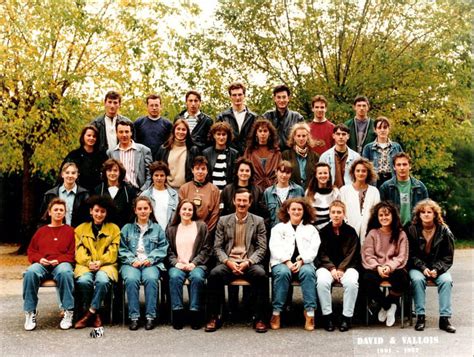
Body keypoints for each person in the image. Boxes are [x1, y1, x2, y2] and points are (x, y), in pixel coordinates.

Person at [205, 188, 268, 333]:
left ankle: (259, 319)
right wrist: (228, 262)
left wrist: (248, 262)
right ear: (233, 201)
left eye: (244, 200)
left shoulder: (258, 221)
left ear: (250, 202)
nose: (241, 203)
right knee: (214, 275)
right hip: (229, 261)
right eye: (238, 200)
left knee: (261, 275)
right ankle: (213, 317)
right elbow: (217, 247)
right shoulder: (223, 220)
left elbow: (261, 248)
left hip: (249, 262)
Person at [23, 198, 75, 331]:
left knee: (65, 272)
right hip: (43, 264)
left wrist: (59, 260)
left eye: (61, 210)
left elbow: (73, 252)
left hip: (61, 263)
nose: (58, 212)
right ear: (50, 212)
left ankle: (68, 311)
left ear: (65, 213)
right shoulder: (41, 231)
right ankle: (30, 312)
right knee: (30, 272)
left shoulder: (70, 231)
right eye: (55, 210)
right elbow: (31, 251)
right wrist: (40, 259)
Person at [269, 198, 320, 331]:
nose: (296, 212)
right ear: (287, 210)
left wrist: (302, 260)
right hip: (282, 263)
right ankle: (276, 313)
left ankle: (309, 313)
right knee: (283, 273)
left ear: (304, 211)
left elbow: (314, 249)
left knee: (308, 272)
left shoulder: (311, 229)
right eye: (293, 209)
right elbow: (274, 247)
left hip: (304, 263)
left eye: (299, 209)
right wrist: (287, 261)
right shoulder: (278, 228)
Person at [119, 196, 168, 331]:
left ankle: (150, 317)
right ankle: (134, 317)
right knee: (131, 279)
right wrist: (131, 259)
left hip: (150, 263)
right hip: (131, 263)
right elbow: (122, 248)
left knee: (151, 279)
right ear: (135, 211)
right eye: (139, 209)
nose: (143, 211)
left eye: (145, 208)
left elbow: (163, 248)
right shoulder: (127, 228)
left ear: (150, 210)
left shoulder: (157, 229)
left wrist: (151, 259)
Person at [407, 199, 456, 333]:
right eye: (423, 212)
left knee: (446, 281)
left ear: (435, 214)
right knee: (417, 280)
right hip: (418, 267)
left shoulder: (444, 230)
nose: (426, 214)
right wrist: (423, 268)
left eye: (429, 212)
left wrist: (437, 269)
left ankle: (444, 319)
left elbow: (448, 256)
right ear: (419, 215)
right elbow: (410, 255)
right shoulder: (411, 229)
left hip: (438, 267)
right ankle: (420, 317)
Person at [74, 196, 120, 329]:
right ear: (91, 211)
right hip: (85, 265)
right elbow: (79, 251)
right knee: (83, 281)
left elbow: (113, 252)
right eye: (96, 211)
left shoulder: (114, 229)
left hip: (107, 265)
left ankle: (90, 313)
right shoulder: (80, 229)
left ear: (107, 213)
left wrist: (100, 262)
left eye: (102, 211)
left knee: (103, 281)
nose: (99, 214)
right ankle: (96, 313)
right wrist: (89, 263)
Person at [362, 201, 409, 327]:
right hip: (376, 267)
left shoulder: (401, 234)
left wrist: (389, 267)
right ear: (377, 217)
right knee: (366, 280)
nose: (384, 218)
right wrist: (378, 267)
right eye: (381, 215)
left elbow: (401, 256)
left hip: (394, 268)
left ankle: (390, 304)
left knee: (403, 279)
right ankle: (388, 305)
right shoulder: (373, 233)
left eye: (387, 215)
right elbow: (368, 254)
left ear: (393, 216)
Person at [166, 199, 211, 330]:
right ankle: (177, 312)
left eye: (190, 209)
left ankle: (195, 312)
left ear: (193, 212)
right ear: (179, 211)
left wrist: (194, 263)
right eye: (184, 209)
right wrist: (175, 263)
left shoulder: (201, 226)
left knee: (197, 277)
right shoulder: (171, 229)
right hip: (178, 265)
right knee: (174, 277)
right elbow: (168, 250)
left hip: (197, 264)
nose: (187, 212)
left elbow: (206, 249)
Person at [316, 200, 360, 332]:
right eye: (333, 212)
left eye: (339, 212)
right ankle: (327, 316)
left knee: (352, 282)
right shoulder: (323, 231)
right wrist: (332, 268)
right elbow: (321, 253)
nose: (336, 215)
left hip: (348, 267)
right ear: (329, 214)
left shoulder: (351, 232)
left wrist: (341, 269)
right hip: (327, 267)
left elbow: (353, 253)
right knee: (322, 282)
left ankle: (347, 317)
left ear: (344, 214)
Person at [379, 152, 428, 226]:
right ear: (394, 167)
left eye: (404, 164)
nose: (402, 168)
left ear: (410, 166)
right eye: (398, 165)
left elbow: (426, 210)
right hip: (393, 228)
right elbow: (382, 212)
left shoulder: (420, 187)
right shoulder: (386, 187)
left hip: (414, 229)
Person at [340, 158, 380, 243]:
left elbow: (376, 213)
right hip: (348, 232)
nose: (360, 173)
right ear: (353, 172)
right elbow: (342, 212)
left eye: (363, 171)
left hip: (368, 232)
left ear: (368, 173)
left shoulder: (374, 191)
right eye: (357, 171)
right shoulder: (344, 190)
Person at [178, 156, 220, 234]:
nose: (200, 171)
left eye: (203, 169)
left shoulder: (214, 190)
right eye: (197, 168)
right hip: (186, 230)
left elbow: (215, 213)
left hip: (206, 231)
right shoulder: (184, 189)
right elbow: (180, 211)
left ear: (207, 171)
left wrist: (205, 231)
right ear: (192, 170)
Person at [107, 119, 152, 191]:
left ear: (131, 133)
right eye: (121, 132)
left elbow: (150, 174)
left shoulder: (144, 150)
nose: (124, 135)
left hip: (139, 191)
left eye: (127, 132)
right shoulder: (111, 152)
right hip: (119, 191)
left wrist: (143, 191)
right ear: (116, 133)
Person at [41, 162, 89, 227]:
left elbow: (87, 217)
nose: (70, 175)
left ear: (77, 175)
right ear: (62, 174)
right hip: (56, 231)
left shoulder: (84, 194)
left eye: (73, 173)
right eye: (67, 172)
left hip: (77, 232)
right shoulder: (50, 194)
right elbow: (44, 218)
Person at [61, 124, 108, 191]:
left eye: (94, 136)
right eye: (89, 135)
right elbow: (64, 173)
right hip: (78, 192)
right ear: (83, 137)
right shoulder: (74, 155)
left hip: (97, 193)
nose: (91, 138)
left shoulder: (102, 156)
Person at [156, 118, 200, 190]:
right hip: (167, 188)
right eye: (178, 129)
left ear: (187, 132)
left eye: (183, 129)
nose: (180, 132)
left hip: (186, 189)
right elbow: (157, 168)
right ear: (174, 130)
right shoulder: (164, 148)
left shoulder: (193, 150)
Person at [94, 158, 138, 228]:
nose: (112, 173)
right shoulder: (98, 190)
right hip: (103, 230)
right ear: (105, 172)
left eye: (115, 170)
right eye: (109, 170)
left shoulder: (129, 190)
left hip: (123, 229)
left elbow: (132, 213)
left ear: (120, 172)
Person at [216, 82, 258, 155]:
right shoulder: (222, 117)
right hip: (228, 156)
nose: (237, 98)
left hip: (248, 156)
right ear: (230, 97)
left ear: (244, 95)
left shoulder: (254, 117)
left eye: (240, 94)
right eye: (234, 95)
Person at [362, 116, 403, 187]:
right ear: (375, 130)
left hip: (392, 180)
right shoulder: (368, 148)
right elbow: (364, 167)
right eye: (379, 128)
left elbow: (402, 165)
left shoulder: (396, 147)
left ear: (389, 129)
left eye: (385, 127)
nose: (382, 130)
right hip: (375, 182)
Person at [263, 160, 304, 229]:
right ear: (276, 172)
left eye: (287, 173)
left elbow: (303, 212)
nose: (284, 175)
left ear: (291, 174)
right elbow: (265, 216)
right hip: (274, 230)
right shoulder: (268, 192)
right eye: (282, 172)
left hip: (295, 230)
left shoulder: (298, 190)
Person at [244, 118, 282, 191]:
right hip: (253, 189)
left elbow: (280, 172)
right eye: (260, 131)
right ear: (256, 133)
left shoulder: (276, 152)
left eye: (265, 131)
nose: (263, 134)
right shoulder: (249, 151)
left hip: (272, 189)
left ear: (269, 133)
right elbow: (244, 170)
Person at [263, 84, 304, 152]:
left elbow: (303, 139)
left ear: (288, 98)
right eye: (278, 97)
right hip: (271, 154)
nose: (281, 100)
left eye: (284, 97)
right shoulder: (267, 116)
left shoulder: (297, 117)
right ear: (274, 98)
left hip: (291, 156)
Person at [140, 161, 178, 231]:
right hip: (150, 233)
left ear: (166, 177)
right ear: (152, 176)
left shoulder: (174, 195)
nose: (159, 178)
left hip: (169, 232)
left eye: (162, 175)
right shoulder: (144, 195)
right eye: (156, 175)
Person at [319, 124, 360, 188]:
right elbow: (320, 177)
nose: (341, 137)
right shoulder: (325, 156)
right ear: (333, 136)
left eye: (343, 134)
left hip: (349, 192)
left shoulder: (356, 157)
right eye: (338, 134)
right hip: (330, 191)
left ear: (348, 136)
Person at [133, 94, 173, 161]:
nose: (154, 108)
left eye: (156, 105)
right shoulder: (138, 123)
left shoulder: (168, 124)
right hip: (143, 160)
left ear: (161, 106)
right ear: (147, 107)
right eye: (151, 105)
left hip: (161, 161)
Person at [202, 121, 239, 191]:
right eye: (218, 134)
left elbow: (235, 176)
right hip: (211, 191)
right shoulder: (206, 153)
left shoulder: (234, 154)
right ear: (214, 135)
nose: (221, 137)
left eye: (224, 134)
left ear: (228, 136)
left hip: (228, 192)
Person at [282, 122, 319, 190]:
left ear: (307, 137)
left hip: (310, 192)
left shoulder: (315, 156)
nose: (301, 138)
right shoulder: (286, 155)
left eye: (304, 136)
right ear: (294, 137)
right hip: (292, 192)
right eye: (298, 136)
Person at [305, 162, 340, 230]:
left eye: (325, 173)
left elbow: (338, 213)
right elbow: (307, 215)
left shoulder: (335, 192)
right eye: (320, 173)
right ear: (316, 175)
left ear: (329, 175)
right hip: (313, 231)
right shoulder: (309, 192)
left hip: (330, 231)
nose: (323, 175)